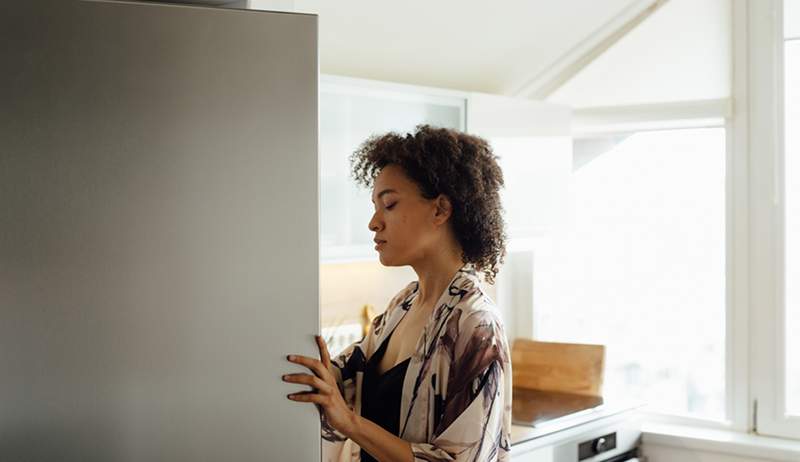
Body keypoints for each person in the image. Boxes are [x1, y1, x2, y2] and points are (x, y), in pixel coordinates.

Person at [283, 125, 513, 461]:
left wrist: (349, 422)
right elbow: (339, 375)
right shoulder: (404, 304)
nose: (374, 222)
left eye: (388, 204)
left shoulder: (476, 325)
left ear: (440, 210)